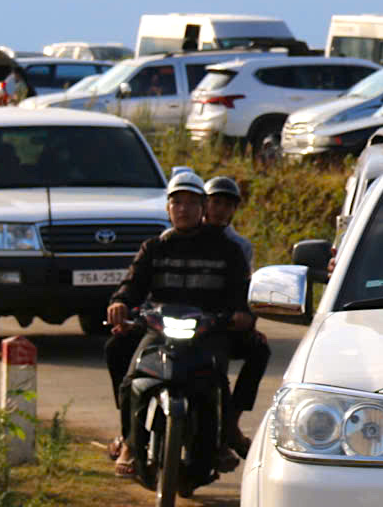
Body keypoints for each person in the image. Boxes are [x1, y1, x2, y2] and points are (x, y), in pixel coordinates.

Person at [103, 171, 253, 478]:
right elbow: (132, 285)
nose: (183, 209)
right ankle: (130, 443)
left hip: (207, 331)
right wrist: (120, 303)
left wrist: (241, 314)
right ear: (168, 208)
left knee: (217, 380)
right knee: (133, 377)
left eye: (191, 203)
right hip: (159, 329)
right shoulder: (154, 247)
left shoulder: (228, 250)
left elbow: (242, 293)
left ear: (203, 208)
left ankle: (221, 441)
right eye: (176, 202)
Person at [204, 175, 270, 457]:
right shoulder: (184, 236)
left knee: (260, 349)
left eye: (227, 205)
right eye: (215, 202)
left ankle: (231, 423)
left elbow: (245, 289)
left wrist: (248, 320)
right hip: (188, 321)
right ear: (204, 205)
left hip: (223, 322)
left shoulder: (239, 246)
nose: (220, 210)